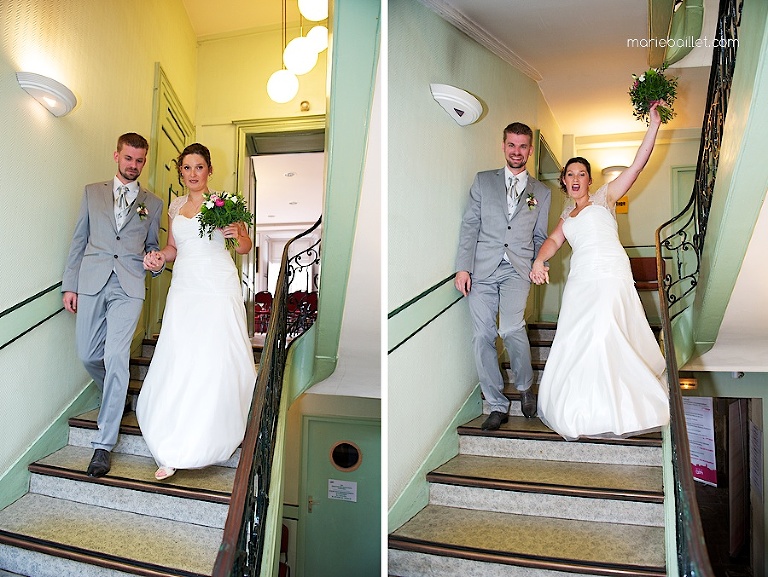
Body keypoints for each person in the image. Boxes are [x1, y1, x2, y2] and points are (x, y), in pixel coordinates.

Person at [530, 102, 670, 440]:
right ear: (563, 181)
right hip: (580, 279)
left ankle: (619, 403)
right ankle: (586, 404)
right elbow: (552, 241)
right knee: (579, 335)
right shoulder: (566, 217)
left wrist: (653, 125)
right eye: (570, 174)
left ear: (589, 180)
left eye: (581, 174)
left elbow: (637, 165)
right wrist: (538, 260)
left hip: (610, 272)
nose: (576, 179)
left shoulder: (606, 197)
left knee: (607, 328)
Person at [136, 143, 257, 480]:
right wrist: (160, 256)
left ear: (209, 170)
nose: (192, 173)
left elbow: (245, 245)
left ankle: (210, 436)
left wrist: (237, 234)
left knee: (214, 354)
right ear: (181, 172)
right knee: (182, 352)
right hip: (187, 284)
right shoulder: (174, 207)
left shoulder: (226, 204)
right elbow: (176, 248)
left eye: (198, 167)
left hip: (218, 282)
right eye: (186, 168)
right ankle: (172, 442)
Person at [62, 133, 164, 477]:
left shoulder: (154, 203)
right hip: (91, 280)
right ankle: (117, 397)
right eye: (128, 158)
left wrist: (157, 263)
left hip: (129, 284)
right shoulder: (92, 192)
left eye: (139, 160)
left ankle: (103, 445)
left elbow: (154, 247)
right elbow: (79, 239)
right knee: (88, 354)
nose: (133, 165)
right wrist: (69, 285)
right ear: (116, 155)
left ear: (144, 161)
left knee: (116, 356)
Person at [455, 122, 552, 430]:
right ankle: (496, 403)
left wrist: (540, 263)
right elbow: (470, 225)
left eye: (523, 146)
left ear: (530, 149)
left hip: (517, 269)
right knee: (482, 335)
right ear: (503, 145)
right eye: (512, 145)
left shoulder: (542, 192)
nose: (517, 151)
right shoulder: (483, 181)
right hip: (482, 269)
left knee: (511, 328)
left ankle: (525, 388)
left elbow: (541, 236)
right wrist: (462, 267)